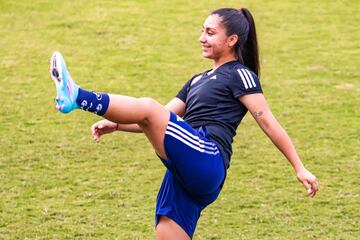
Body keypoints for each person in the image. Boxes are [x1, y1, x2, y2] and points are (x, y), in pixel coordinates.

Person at [49, 7, 319, 240]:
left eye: (211, 33)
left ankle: (78, 96)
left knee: (149, 107)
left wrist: (299, 167)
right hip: (185, 169)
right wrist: (117, 125)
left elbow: (268, 122)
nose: (202, 38)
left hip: (207, 157)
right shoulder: (196, 80)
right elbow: (161, 118)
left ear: (232, 40)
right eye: (203, 31)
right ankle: (77, 98)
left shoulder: (241, 75)